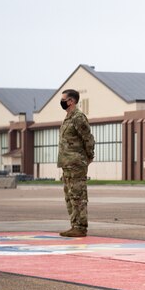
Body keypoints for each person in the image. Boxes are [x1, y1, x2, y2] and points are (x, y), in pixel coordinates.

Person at [57, 89, 95, 237]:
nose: (62, 102)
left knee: (78, 196)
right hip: (67, 163)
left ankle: (80, 226)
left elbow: (88, 138)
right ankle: (74, 225)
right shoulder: (68, 117)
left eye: (63, 99)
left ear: (71, 101)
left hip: (77, 163)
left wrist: (89, 156)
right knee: (70, 196)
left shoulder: (78, 117)